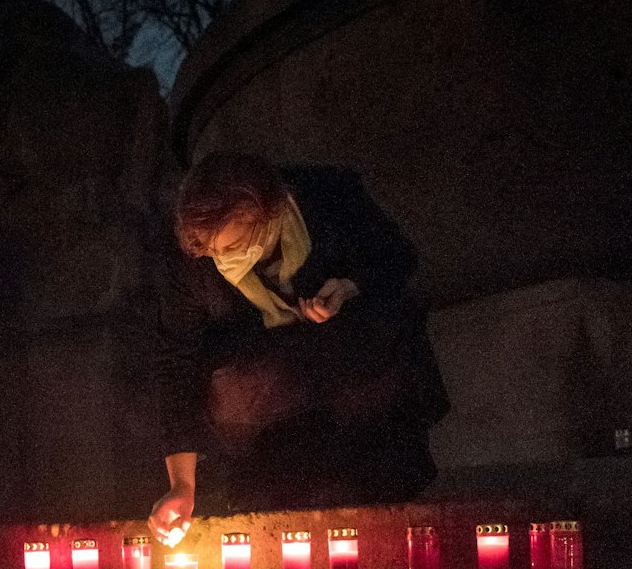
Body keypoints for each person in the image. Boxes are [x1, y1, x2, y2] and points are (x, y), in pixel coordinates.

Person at [148, 152, 448, 542]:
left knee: (374, 519)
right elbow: (177, 361)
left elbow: (397, 257)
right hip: (271, 424)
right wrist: (182, 486)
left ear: (270, 211)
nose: (225, 261)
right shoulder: (193, 261)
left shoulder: (327, 197)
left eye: (236, 245)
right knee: (278, 521)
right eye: (213, 252)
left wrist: (349, 286)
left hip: (363, 389)